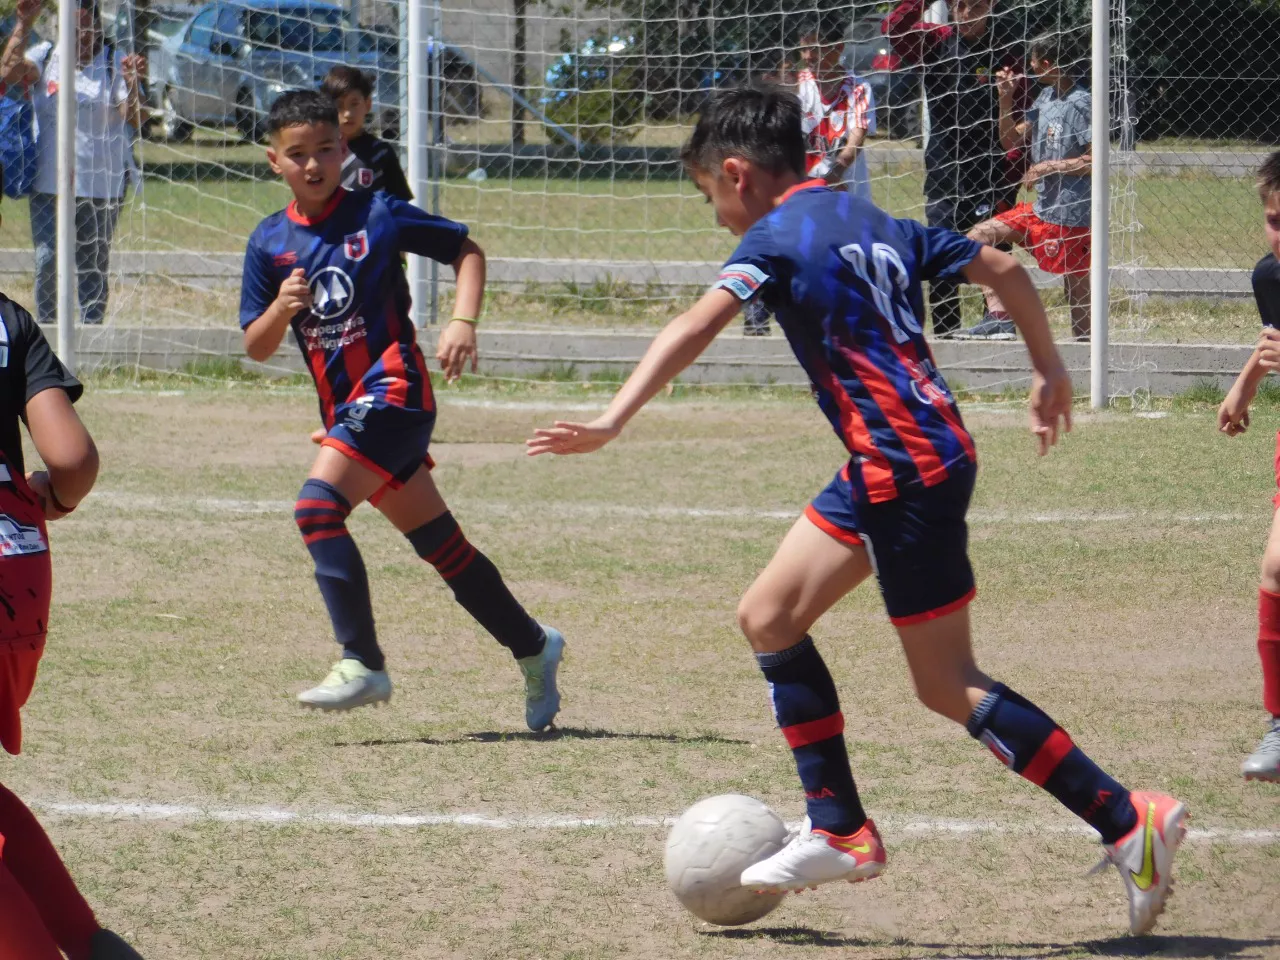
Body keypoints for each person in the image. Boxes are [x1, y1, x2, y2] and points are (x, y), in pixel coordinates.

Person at [527, 88, 1186, 935]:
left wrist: (613, 417)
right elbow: (1007, 268)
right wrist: (1049, 368)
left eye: (709, 197)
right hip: (899, 459)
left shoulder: (774, 237)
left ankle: (1128, 820)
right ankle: (839, 824)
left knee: (948, 686)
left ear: (737, 174)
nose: (715, 216)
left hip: (903, 470)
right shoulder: (867, 216)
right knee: (768, 614)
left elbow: (698, 323)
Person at [239, 91, 564, 725]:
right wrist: (281, 308)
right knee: (444, 549)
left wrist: (463, 320)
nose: (314, 165)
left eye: (326, 150)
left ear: (345, 149)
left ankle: (361, 660)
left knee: (315, 508)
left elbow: (466, 251)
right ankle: (534, 644)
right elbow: (256, 345)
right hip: (349, 413)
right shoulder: (268, 243)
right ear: (274, 160)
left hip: (396, 392)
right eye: (298, 155)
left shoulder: (379, 214)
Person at [0, 189, 142, 956]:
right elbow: (72, 461)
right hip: (17, 569)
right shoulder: (9, 319)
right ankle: (92, 947)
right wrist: (50, 500)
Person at [884, 0, 1027, 339]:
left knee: (992, 244)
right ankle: (948, 332)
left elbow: (1022, 115)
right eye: (958, 5)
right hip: (945, 165)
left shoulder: (1008, 48)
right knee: (942, 245)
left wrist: (1017, 165)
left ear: (990, 6)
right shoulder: (934, 41)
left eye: (975, 6)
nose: (966, 13)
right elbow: (893, 28)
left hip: (992, 165)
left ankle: (997, 324)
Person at [0, 0, 147, 326]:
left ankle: (92, 330)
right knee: (47, 259)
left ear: (98, 28)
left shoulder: (111, 63)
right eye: (75, 31)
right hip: (48, 184)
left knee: (92, 263)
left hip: (100, 186)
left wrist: (133, 83)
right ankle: (49, 332)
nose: (82, 38)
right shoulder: (47, 56)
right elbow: (8, 73)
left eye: (88, 30)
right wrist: (23, 23)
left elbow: (134, 118)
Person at [1215, 150, 1280, 783]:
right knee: (1278, 565)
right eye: (1275, 219)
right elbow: (1274, 341)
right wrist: (1245, 386)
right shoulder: (1271, 277)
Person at [964, 31, 1092, 342]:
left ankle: (1088, 362)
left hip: (1072, 218)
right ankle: (999, 316)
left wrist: (1049, 166)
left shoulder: (1082, 103)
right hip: (1039, 210)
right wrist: (1004, 100)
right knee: (978, 235)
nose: (1029, 68)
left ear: (1047, 64)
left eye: (1032, 62)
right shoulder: (1045, 98)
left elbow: (1095, 161)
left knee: (1079, 297)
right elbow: (1010, 139)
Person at [795, 13, 876, 202]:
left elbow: (856, 141)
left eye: (815, 49)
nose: (808, 57)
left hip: (847, 187)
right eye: (803, 49)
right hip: (807, 187)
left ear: (838, 48)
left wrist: (834, 174)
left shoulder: (858, 88)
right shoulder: (797, 86)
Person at [320, 65, 412, 202]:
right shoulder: (320, 151)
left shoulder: (381, 152)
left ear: (367, 104)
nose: (348, 113)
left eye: (354, 104)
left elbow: (400, 205)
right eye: (339, 106)